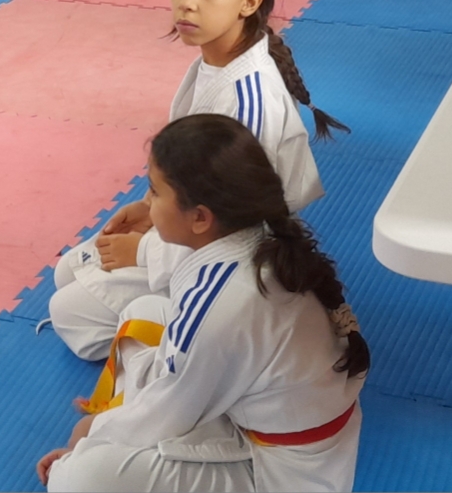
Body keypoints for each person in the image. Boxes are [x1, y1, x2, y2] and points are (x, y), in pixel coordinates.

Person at [49, 0, 346, 361]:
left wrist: (145, 251)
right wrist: (151, 207)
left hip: (235, 253)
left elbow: (234, 226)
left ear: (249, 2)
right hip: (193, 224)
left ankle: (204, 349)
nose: (187, 3)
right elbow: (191, 172)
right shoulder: (214, 63)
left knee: (68, 311)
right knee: (66, 271)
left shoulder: (248, 103)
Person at [38, 113, 369, 493]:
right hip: (253, 406)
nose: (149, 203)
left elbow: (169, 412)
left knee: (79, 478)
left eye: (155, 192)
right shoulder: (254, 236)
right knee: (142, 311)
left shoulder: (225, 300)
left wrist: (90, 433)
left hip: (278, 470)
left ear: (199, 218)